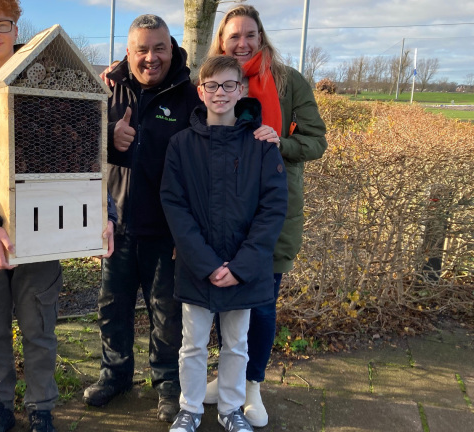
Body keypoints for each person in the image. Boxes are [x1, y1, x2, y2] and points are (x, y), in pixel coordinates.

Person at [0, 1, 116, 431]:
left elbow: (81, 154)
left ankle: (41, 409)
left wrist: (99, 215)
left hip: (41, 230)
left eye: (3, 23)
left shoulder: (46, 80)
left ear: (15, 26)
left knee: (39, 326)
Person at [203, 5, 328, 428]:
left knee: (261, 301)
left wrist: (279, 143)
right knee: (222, 298)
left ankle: (251, 384)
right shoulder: (209, 80)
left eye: (249, 35)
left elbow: (315, 141)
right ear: (221, 40)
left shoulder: (288, 81)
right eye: (233, 36)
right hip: (221, 212)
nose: (242, 43)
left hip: (274, 209)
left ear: (261, 37)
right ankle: (227, 379)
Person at [81, 14, 202, 423]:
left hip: (166, 232)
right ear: (128, 53)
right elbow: (78, 150)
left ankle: (168, 384)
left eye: (159, 48)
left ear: (173, 47)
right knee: (112, 308)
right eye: (142, 50)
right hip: (115, 226)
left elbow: (202, 168)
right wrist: (109, 138)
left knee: (166, 315)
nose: (151, 58)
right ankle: (114, 376)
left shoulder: (190, 98)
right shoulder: (108, 91)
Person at [161, 54, 288, 432]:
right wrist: (206, 263)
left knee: (237, 345)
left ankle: (231, 408)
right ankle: (191, 408)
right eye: (212, 86)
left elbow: (273, 209)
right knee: (193, 344)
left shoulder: (261, 145)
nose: (220, 93)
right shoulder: (181, 145)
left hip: (242, 270)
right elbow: (175, 206)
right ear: (200, 91)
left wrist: (240, 266)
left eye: (229, 85)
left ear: (241, 91)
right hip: (197, 268)